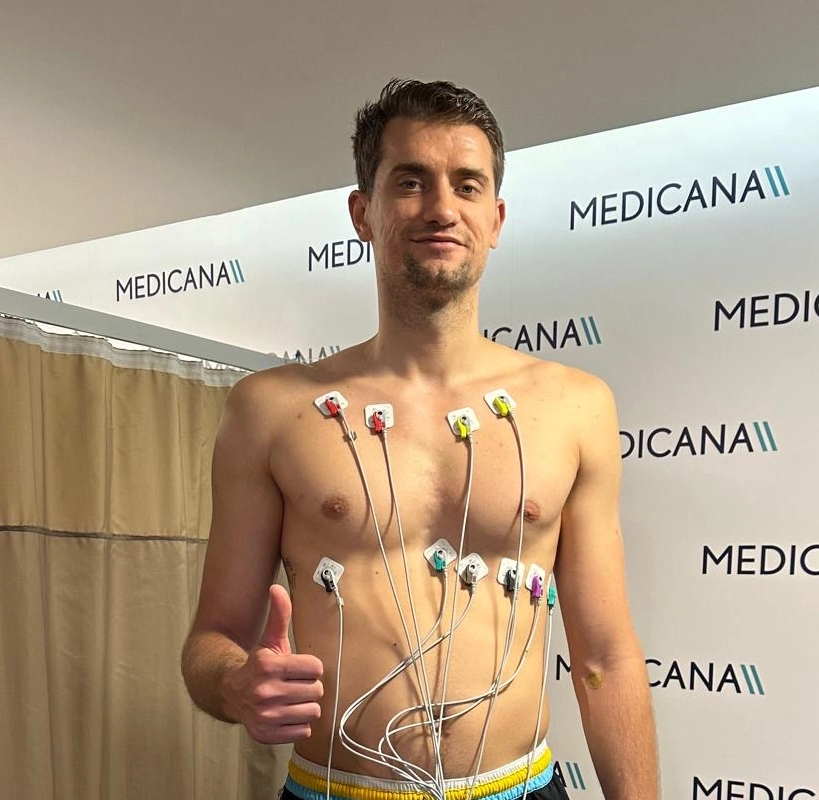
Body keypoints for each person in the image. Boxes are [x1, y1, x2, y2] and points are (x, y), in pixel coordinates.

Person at [181, 79, 658, 800]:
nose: (441, 207)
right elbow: (211, 640)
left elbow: (606, 657)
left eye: (467, 185)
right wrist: (234, 683)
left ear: (495, 219)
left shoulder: (575, 406)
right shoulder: (271, 410)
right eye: (410, 182)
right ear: (362, 214)